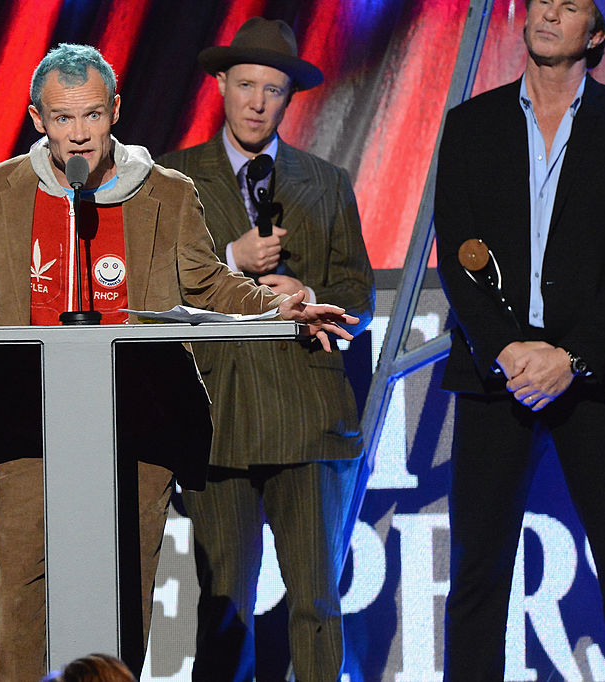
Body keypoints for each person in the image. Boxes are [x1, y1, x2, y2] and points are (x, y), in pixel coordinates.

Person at [0, 43, 356, 681]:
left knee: (122, 595)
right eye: (61, 118)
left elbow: (210, 284)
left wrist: (281, 311)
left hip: (137, 415)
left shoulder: (165, 192)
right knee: (18, 589)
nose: (78, 135)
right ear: (35, 119)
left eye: (90, 116)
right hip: (26, 414)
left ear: (115, 111)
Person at [157, 18, 374, 681]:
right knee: (226, 608)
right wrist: (230, 261)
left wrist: (310, 293)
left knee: (315, 600)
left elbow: (358, 295)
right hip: (217, 419)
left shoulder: (325, 181)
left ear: (288, 98)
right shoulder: (173, 178)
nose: (256, 102)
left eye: (272, 90)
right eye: (246, 84)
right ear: (220, 84)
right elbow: (143, 289)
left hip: (308, 416)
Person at [434, 0, 605, 678]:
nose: (549, 12)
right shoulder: (472, 123)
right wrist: (505, 349)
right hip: (495, 374)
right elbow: (456, 248)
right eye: (542, 0)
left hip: (594, 376)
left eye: (571, 7)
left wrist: (575, 357)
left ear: (596, 34)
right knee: (478, 573)